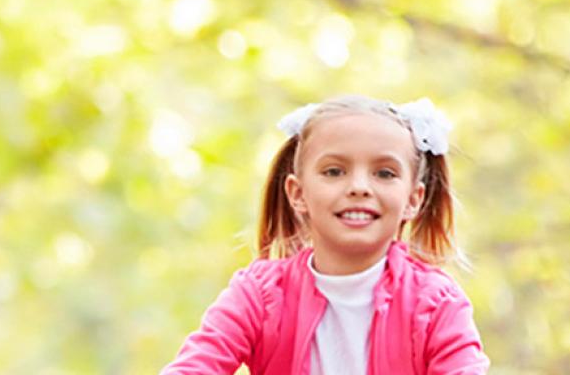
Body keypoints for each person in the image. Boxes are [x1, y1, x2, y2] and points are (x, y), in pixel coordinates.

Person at [164, 95, 488, 374]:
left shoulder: (436, 305)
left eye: (384, 173)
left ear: (413, 199)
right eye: (334, 171)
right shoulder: (259, 296)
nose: (359, 187)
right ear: (297, 193)